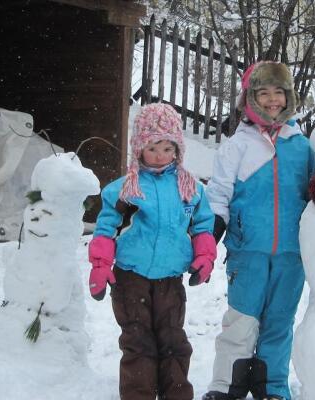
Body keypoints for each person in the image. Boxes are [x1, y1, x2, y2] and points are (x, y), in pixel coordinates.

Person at [203, 61, 315, 400]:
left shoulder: (302, 146)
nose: (272, 100)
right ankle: (227, 385)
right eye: (263, 93)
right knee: (241, 319)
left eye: (278, 92)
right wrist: (209, 238)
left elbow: (314, 194)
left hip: (291, 253)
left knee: (279, 321)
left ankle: (271, 386)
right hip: (247, 249)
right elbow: (219, 196)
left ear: (289, 97)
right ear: (249, 99)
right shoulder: (237, 145)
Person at [88, 102, 217, 400]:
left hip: (170, 278)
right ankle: (139, 394)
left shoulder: (190, 189)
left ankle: (176, 394)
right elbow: (107, 228)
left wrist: (204, 257)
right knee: (138, 340)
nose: (160, 156)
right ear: (139, 148)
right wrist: (99, 264)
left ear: (178, 150)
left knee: (173, 339)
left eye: (167, 148)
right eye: (153, 147)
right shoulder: (125, 189)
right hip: (131, 277)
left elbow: (202, 226)